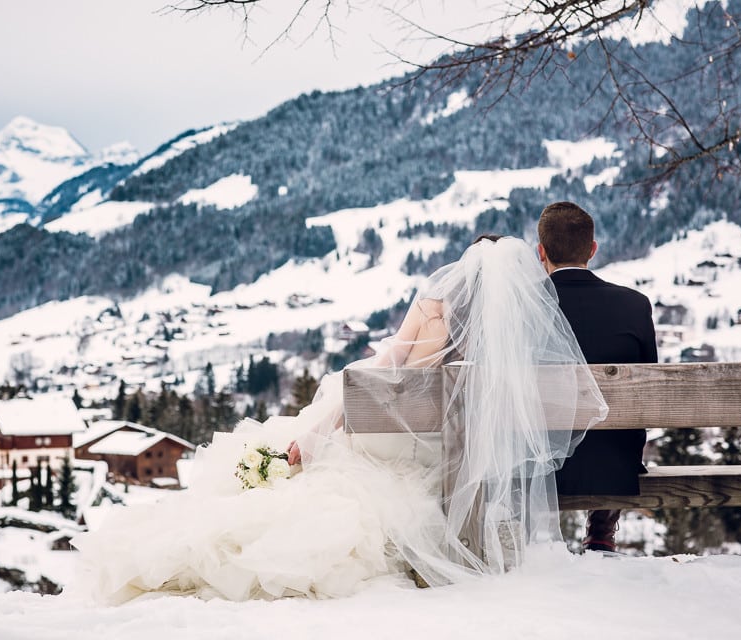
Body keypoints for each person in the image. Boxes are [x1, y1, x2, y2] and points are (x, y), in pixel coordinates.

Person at [70, 235, 607, 603]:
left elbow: (376, 377)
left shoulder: (432, 308)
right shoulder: (505, 337)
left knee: (315, 419)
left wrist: (319, 428)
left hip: (395, 437)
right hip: (447, 452)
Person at [536, 201, 658, 552]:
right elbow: (648, 391)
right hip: (614, 466)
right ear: (592, 249)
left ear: (540, 252)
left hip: (541, 466)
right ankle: (601, 530)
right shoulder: (635, 305)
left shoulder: (526, 309)